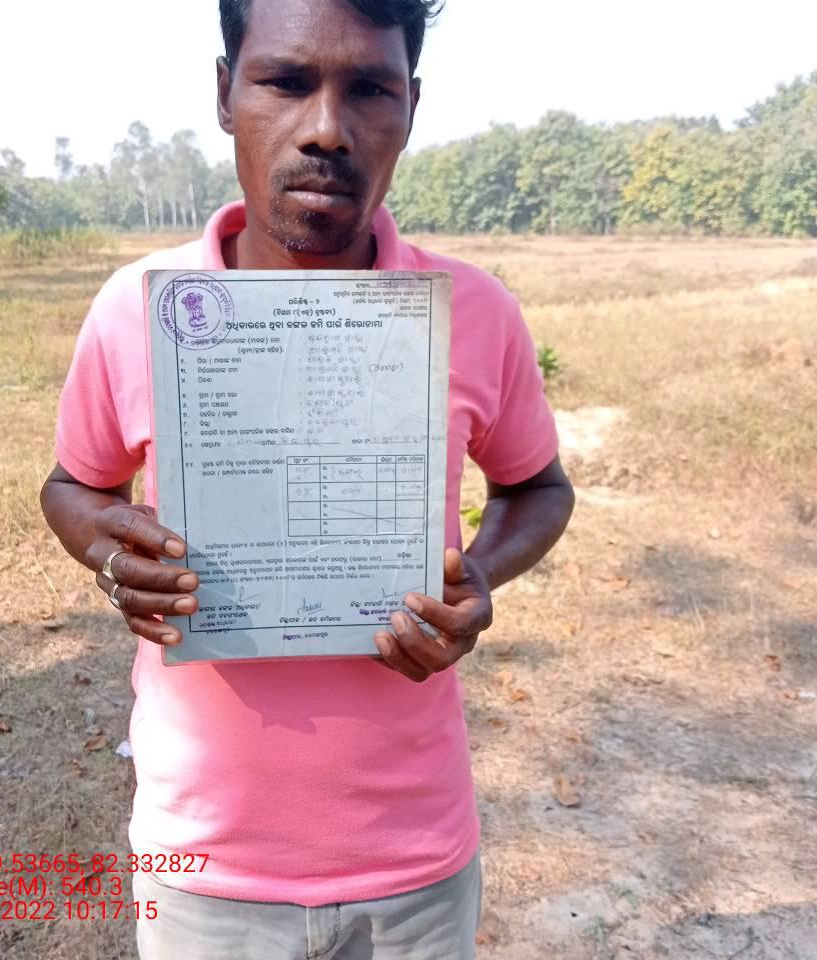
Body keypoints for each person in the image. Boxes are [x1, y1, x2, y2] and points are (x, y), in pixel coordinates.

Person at [39, 0, 575, 956]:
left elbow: (539, 487)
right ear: (225, 94)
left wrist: (480, 573)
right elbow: (73, 484)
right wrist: (111, 554)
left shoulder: (475, 313)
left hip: (413, 868)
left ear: (411, 107)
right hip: (204, 869)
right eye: (285, 82)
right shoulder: (138, 312)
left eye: (369, 89)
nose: (327, 128)